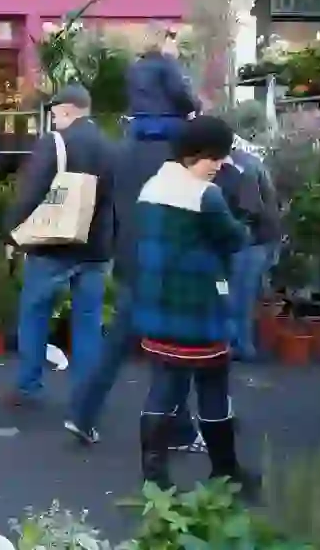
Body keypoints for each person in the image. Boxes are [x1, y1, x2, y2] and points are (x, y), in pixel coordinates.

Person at [66, 30, 208, 449]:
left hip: (132, 258)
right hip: (172, 261)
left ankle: (82, 413)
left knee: (117, 345)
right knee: (177, 345)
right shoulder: (182, 151)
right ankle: (178, 429)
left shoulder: (124, 148)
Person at [127, 116, 256, 493]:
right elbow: (234, 239)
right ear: (192, 154)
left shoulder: (152, 187)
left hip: (158, 305)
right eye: (213, 157)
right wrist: (244, 221)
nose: (218, 165)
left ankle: (154, 478)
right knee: (213, 385)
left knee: (164, 386)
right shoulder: (206, 196)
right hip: (198, 309)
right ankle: (226, 472)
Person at [2, 84, 116, 407]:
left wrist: (11, 233)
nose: (54, 120)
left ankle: (28, 385)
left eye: (55, 114)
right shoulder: (111, 147)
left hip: (53, 245)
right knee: (89, 321)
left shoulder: (54, 144)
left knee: (35, 312)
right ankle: (85, 394)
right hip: (95, 248)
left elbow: (30, 193)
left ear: (66, 110)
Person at [213, 147, 279, 359]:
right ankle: (240, 343)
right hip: (259, 241)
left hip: (252, 242)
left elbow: (249, 211)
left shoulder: (244, 169)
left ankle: (241, 346)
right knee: (242, 294)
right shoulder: (245, 163)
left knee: (239, 295)